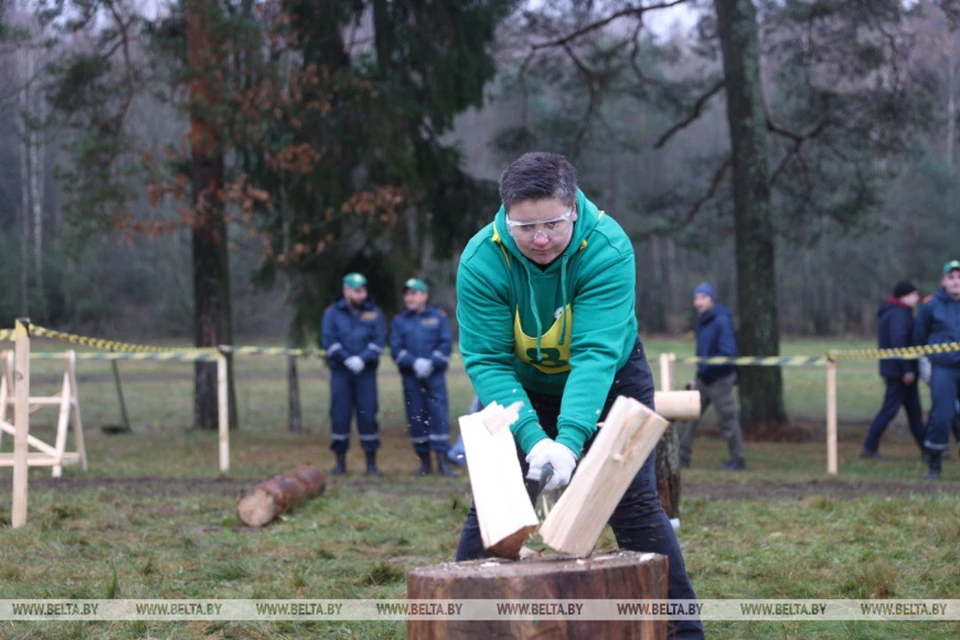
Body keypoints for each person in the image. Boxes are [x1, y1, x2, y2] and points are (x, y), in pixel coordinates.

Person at [455, 152, 703, 639]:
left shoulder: (607, 248)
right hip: (520, 384)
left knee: (632, 503)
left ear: (573, 208)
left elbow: (594, 355)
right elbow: (487, 360)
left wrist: (569, 441)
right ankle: (462, 628)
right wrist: (531, 435)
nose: (540, 238)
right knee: (495, 506)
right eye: (525, 227)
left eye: (551, 223)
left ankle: (682, 633)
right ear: (506, 216)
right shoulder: (481, 259)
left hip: (609, 378)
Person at [321, 272, 386, 476]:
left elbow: (378, 340)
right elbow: (329, 341)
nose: (362, 295)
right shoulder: (332, 314)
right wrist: (346, 358)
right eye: (357, 291)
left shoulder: (374, 313)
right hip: (341, 373)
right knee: (340, 416)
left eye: (364, 290)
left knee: (368, 415)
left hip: (365, 374)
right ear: (346, 290)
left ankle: (371, 464)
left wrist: (363, 358)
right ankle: (340, 463)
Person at [677, 282, 747, 471]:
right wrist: (698, 375)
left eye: (703, 298)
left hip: (721, 379)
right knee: (689, 418)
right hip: (703, 378)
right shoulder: (701, 321)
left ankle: (738, 460)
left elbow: (728, 352)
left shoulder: (721, 320)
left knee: (728, 420)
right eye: (696, 298)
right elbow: (702, 352)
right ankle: (682, 458)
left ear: (712, 300)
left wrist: (708, 366)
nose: (699, 302)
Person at [390, 277, 456, 477]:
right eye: (407, 294)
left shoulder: (438, 317)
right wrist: (414, 363)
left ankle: (443, 463)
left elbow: (445, 344)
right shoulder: (400, 321)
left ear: (424, 296)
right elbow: (396, 348)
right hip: (412, 378)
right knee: (417, 417)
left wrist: (430, 363)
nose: (410, 298)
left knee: (439, 416)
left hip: (434, 377)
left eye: (414, 293)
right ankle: (424, 464)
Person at [860, 281, 925, 459]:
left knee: (914, 413)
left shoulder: (895, 312)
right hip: (900, 373)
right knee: (889, 411)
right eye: (914, 295)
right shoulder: (899, 314)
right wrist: (907, 370)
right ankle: (869, 447)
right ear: (904, 296)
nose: (917, 298)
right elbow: (900, 342)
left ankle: (929, 449)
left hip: (898, 371)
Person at [914, 260, 960, 480]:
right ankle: (934, 463)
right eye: (951, 277)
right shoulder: (930, 305)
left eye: (959, 277)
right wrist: (926, 363)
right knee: (941, 416)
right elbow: (920, 338)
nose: (956, 281)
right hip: (943, 368)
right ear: (944, 281)